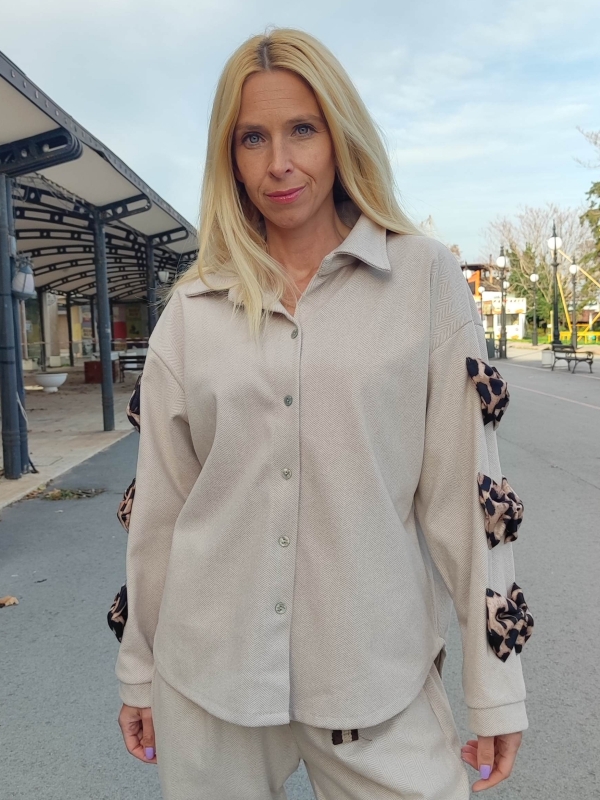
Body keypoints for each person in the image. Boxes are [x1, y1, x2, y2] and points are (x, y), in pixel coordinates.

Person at [115, 27, 533, 800]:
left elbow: (466, 501)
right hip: (210, 687)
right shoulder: (193, 309)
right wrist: (138, 670)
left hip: (378, 685)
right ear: (229, 156)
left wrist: (496, 685)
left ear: (339, 134)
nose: (279, 162)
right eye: (253, 137)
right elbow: (162, 512)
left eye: (301, 129)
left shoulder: (427, 282)